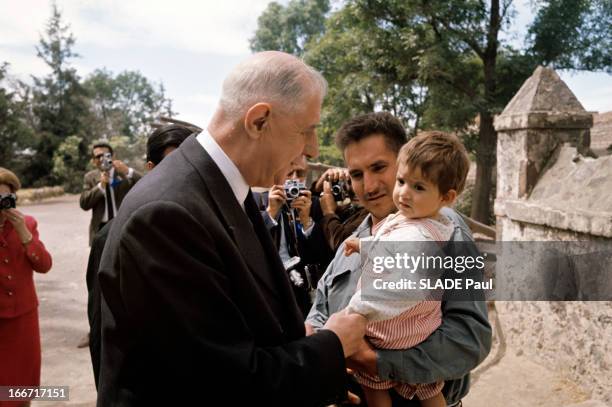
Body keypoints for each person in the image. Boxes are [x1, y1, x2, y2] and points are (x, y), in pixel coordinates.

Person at [97, 51, 366, 406]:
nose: (313, 150)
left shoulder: (222, 189)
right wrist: (332, 345)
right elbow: (221, 381)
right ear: (258, 122)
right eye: (307, 131)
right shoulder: (166, 215)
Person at [305, 112, 492, 407]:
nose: (368, 186)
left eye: (379, 167)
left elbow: (471, 338)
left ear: (404, 161)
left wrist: (379, 362)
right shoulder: (354, 238)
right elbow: (320, 309)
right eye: (356, 174)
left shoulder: (448, 233)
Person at [342, 132, 471, 407]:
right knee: (429, 391)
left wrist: (358, 310)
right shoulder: (420, 221)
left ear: (446, 197)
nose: (403, 193)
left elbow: (406, 286)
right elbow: (390, 245)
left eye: (419, 187)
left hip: (391, 333)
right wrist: (363, 245)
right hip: (419, 330)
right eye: (402, 182)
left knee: (375, 389)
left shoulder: (420, 238)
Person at [85, 124, 194, 389]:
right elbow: (103, 328)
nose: (185, 174)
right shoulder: (110, 239)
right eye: (173, 165)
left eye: (191, 164)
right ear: (151, 168)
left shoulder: (214, 226)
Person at [254, 155, 332, 318]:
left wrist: (306, 221)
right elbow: (250, 246)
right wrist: (271, 214)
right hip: (268, 282)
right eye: (289, 174)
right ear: (277, 174)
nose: (295, 180)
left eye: (301, 174)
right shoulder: (257, 201)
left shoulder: (315, 204)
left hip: (302, 285)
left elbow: (322, 255)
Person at [0, 168, 52, 406]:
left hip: (23, 319)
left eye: (4, 198)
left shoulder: (27, 224)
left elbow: (44, 265)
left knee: (22, 387)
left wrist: (24, 235)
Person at [79, 141, 142, 246]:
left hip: (124, 225)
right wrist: (100, 186)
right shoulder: (90, 177)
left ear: (113, 156)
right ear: (94, 161)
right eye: (98, 157)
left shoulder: (123, 173)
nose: (101, 159)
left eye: (105, 155)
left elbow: (146, 183)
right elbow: (84, 204)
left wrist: (128, 171)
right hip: (101, 229)